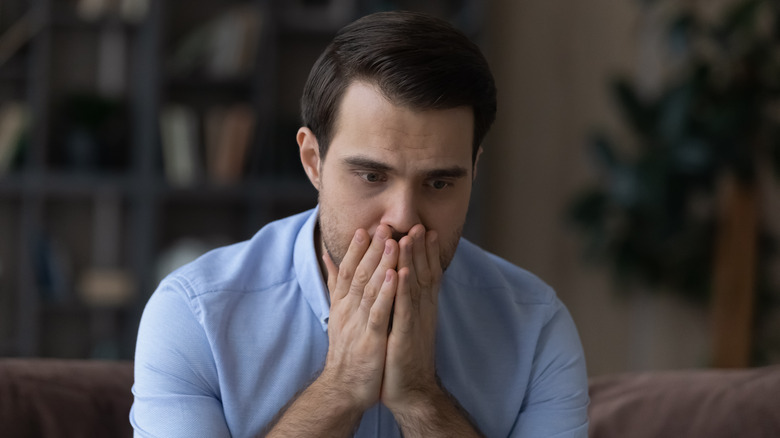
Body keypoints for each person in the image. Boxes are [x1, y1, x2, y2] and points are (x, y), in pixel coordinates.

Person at [130, 10, 589, 438]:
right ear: (313, 160)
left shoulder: (536, 327)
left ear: (474, 172)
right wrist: (341, 387)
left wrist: (420, 398)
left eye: (440, 183)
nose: (404, 219)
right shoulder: (195, 315)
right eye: (372, 176)